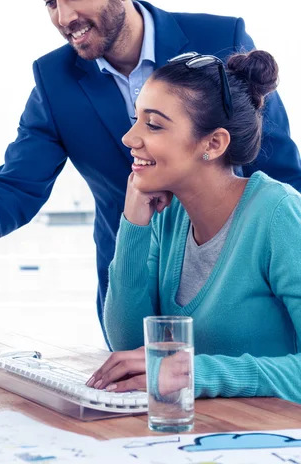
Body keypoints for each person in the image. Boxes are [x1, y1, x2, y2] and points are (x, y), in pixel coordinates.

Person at [0, 0, 301, 341]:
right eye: (50, 1)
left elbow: (280, 165)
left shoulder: (218, 39)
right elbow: (21, 183)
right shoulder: (54, 80)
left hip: (241, 293)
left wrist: (280, 257)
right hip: (132, 291)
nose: (63, 16)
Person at [86, 49, 301, 402]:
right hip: (198, 437)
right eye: (136, 119)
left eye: (153, 124)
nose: (129, 138)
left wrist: (195, 373)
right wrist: (133, 225)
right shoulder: (168, 215)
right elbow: (132, 351)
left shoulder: (279, 215)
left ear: (213, 144)